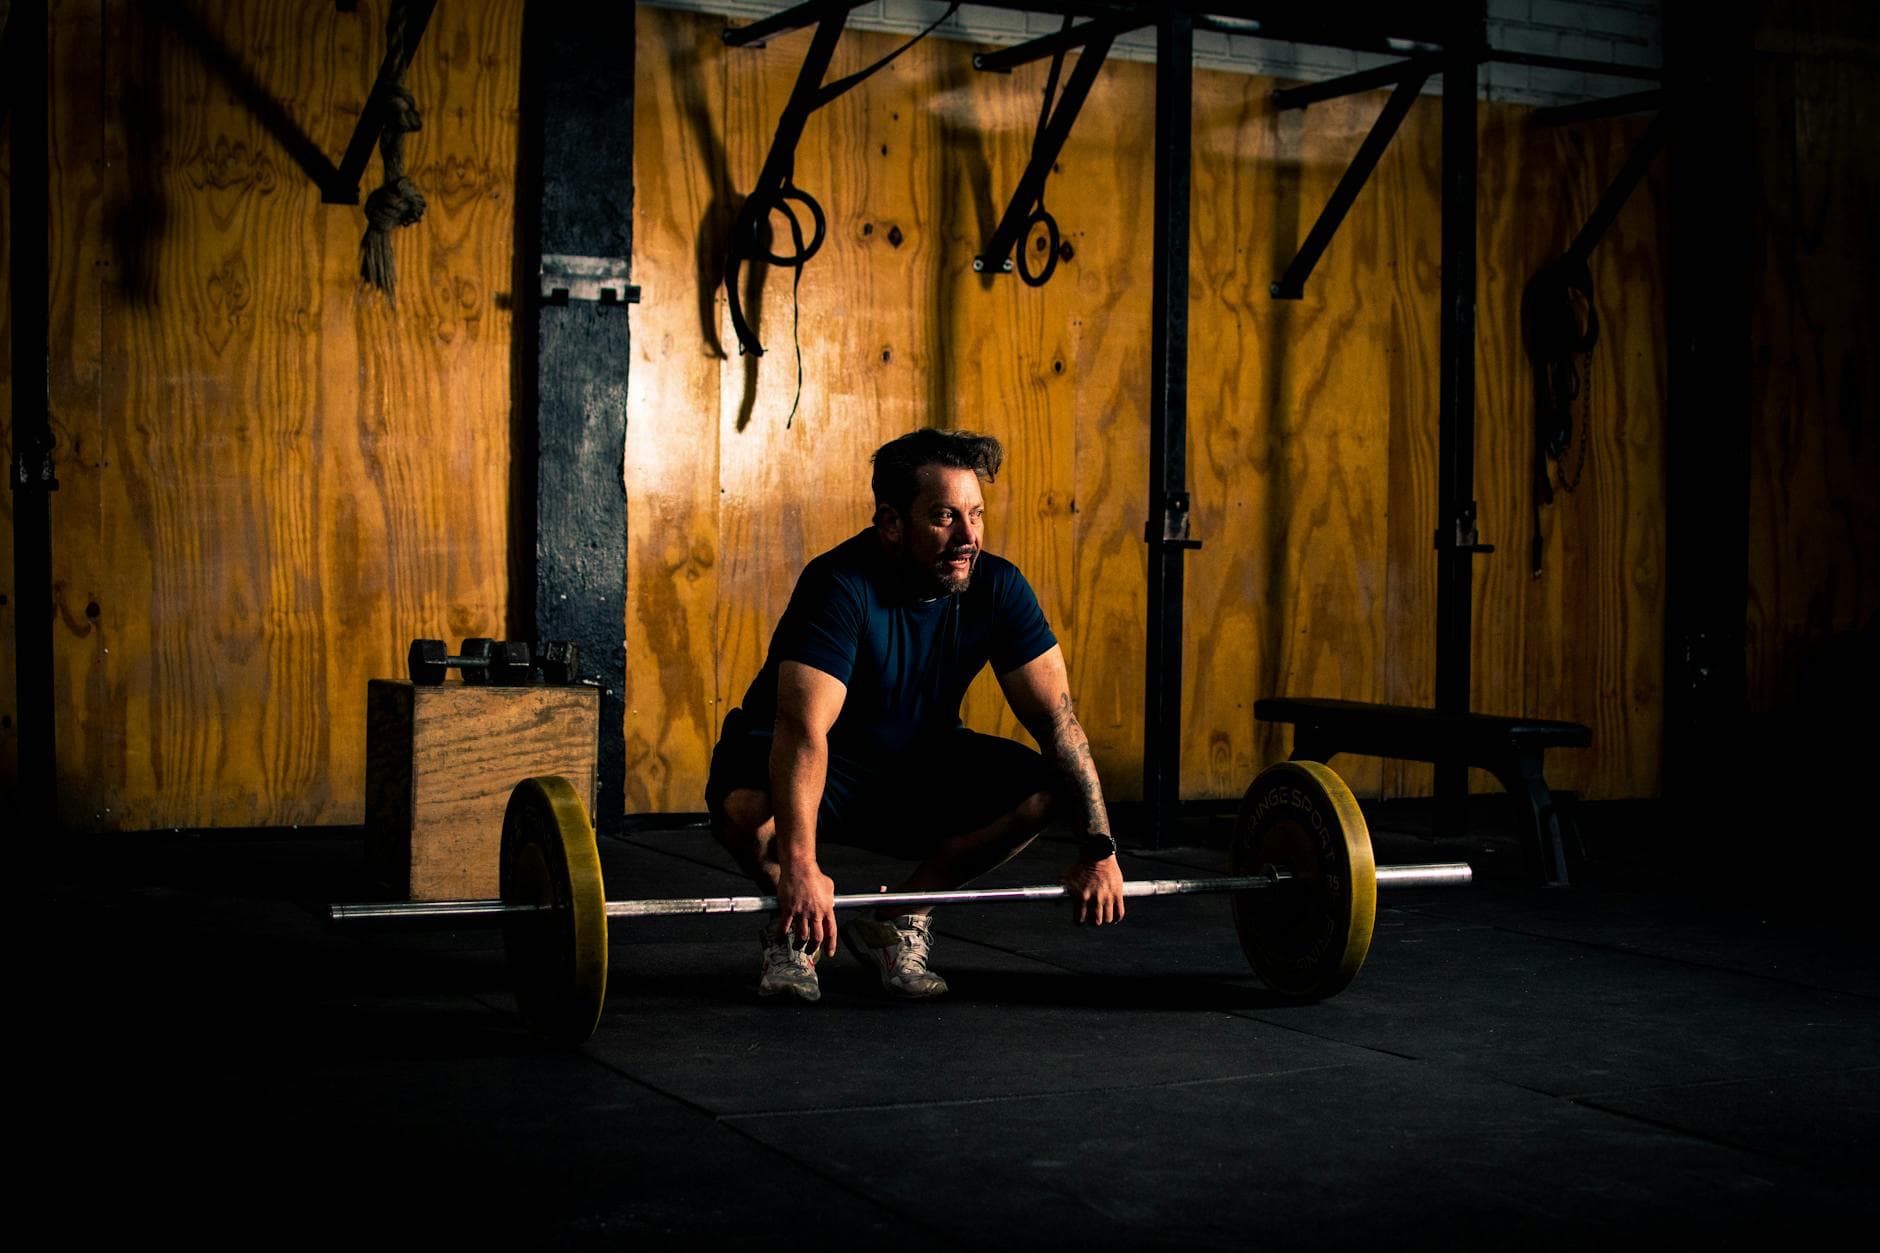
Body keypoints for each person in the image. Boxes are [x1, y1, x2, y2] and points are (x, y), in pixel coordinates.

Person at [705, 428, 1126, 1002]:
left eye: (975, 515)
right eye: (943, 517)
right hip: (811, 765)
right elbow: (803, 730)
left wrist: (1099, 852)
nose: (967, 537)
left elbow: (1059, 725)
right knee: (744, 809)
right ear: (891, 523)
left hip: (914, 764)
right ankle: (795, 926)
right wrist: (801, 866)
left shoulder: (998, 587)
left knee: (1044, 790)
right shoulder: (839, 584)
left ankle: (899, 917)